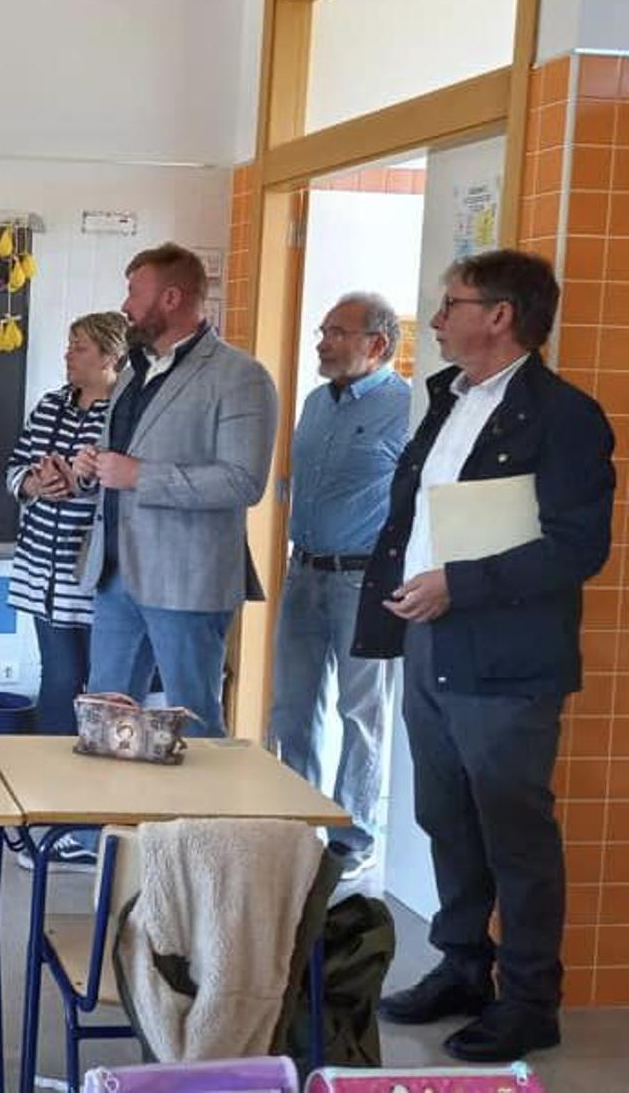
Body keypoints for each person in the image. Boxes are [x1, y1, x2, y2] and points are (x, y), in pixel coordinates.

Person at [354, 250, 614, 1063]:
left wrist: (459, 585)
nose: (434, 320)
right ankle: (463, 966)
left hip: (506, 658)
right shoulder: (448, 397)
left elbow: (578, 546)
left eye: (451, 304)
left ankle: (531, 1000)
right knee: (446, 816)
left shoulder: (564, 416)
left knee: (514, 828)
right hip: (428, 637)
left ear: (500, 315)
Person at [77, 241, 278, 733]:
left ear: (171, 298)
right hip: (115, 574)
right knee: (104, 723)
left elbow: (243, 481)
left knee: (194, 724)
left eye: (134, 292)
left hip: (186, 581)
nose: (125, 306)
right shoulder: (132, 373)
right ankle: (112, 791)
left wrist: (139, 475)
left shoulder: (240, 377)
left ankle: (204, 791)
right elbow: (116, 459)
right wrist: (87, 470)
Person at [268, 292, 409, 881]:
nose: (322, 342)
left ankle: (354, 836)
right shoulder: (315, 402)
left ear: (377, 344)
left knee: (360, 711)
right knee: (292, 707)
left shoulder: (407, 407)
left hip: (365, 579)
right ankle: (297, 826)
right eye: (322, 331)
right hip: (304, 572)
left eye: (336, 333)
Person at [5, 311, 128, 734]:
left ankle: (97, 764)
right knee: (58, 678)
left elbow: (131, 483)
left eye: (80, 348)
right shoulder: (49, 406)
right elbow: (15, 467)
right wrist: (35, 484)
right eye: (69, 346)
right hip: (42, 569)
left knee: (104, 683)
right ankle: (51, 767)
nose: (68, 355)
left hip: (96, 572)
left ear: (109, 356)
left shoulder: (126, 413)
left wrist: (81, 481)